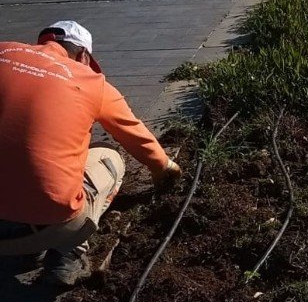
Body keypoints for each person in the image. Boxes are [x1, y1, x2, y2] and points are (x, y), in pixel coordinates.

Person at [0, 21, 182, 287]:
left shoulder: (4, 53)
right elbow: (133, 133)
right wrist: (164, 168)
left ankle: (20, 246)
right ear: (84, 55)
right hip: (49, 226)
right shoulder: (91, 81)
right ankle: (68, 253)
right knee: (110, 158)